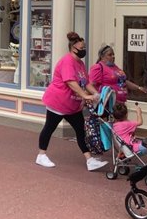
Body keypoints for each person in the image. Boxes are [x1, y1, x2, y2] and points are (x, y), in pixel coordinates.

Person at [37, 31, 107, 171]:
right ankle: (41, 155)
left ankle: (90, 160)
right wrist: (85, 96)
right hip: (58, 101)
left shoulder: (80, 63)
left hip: (72, 105)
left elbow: (85, 82)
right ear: (73, 48)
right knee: (49, 127)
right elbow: (70, 82)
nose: (83, 50)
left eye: (84, 48)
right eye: (81, 48)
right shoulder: (67, 61)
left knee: (81, 130)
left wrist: (96, 93)